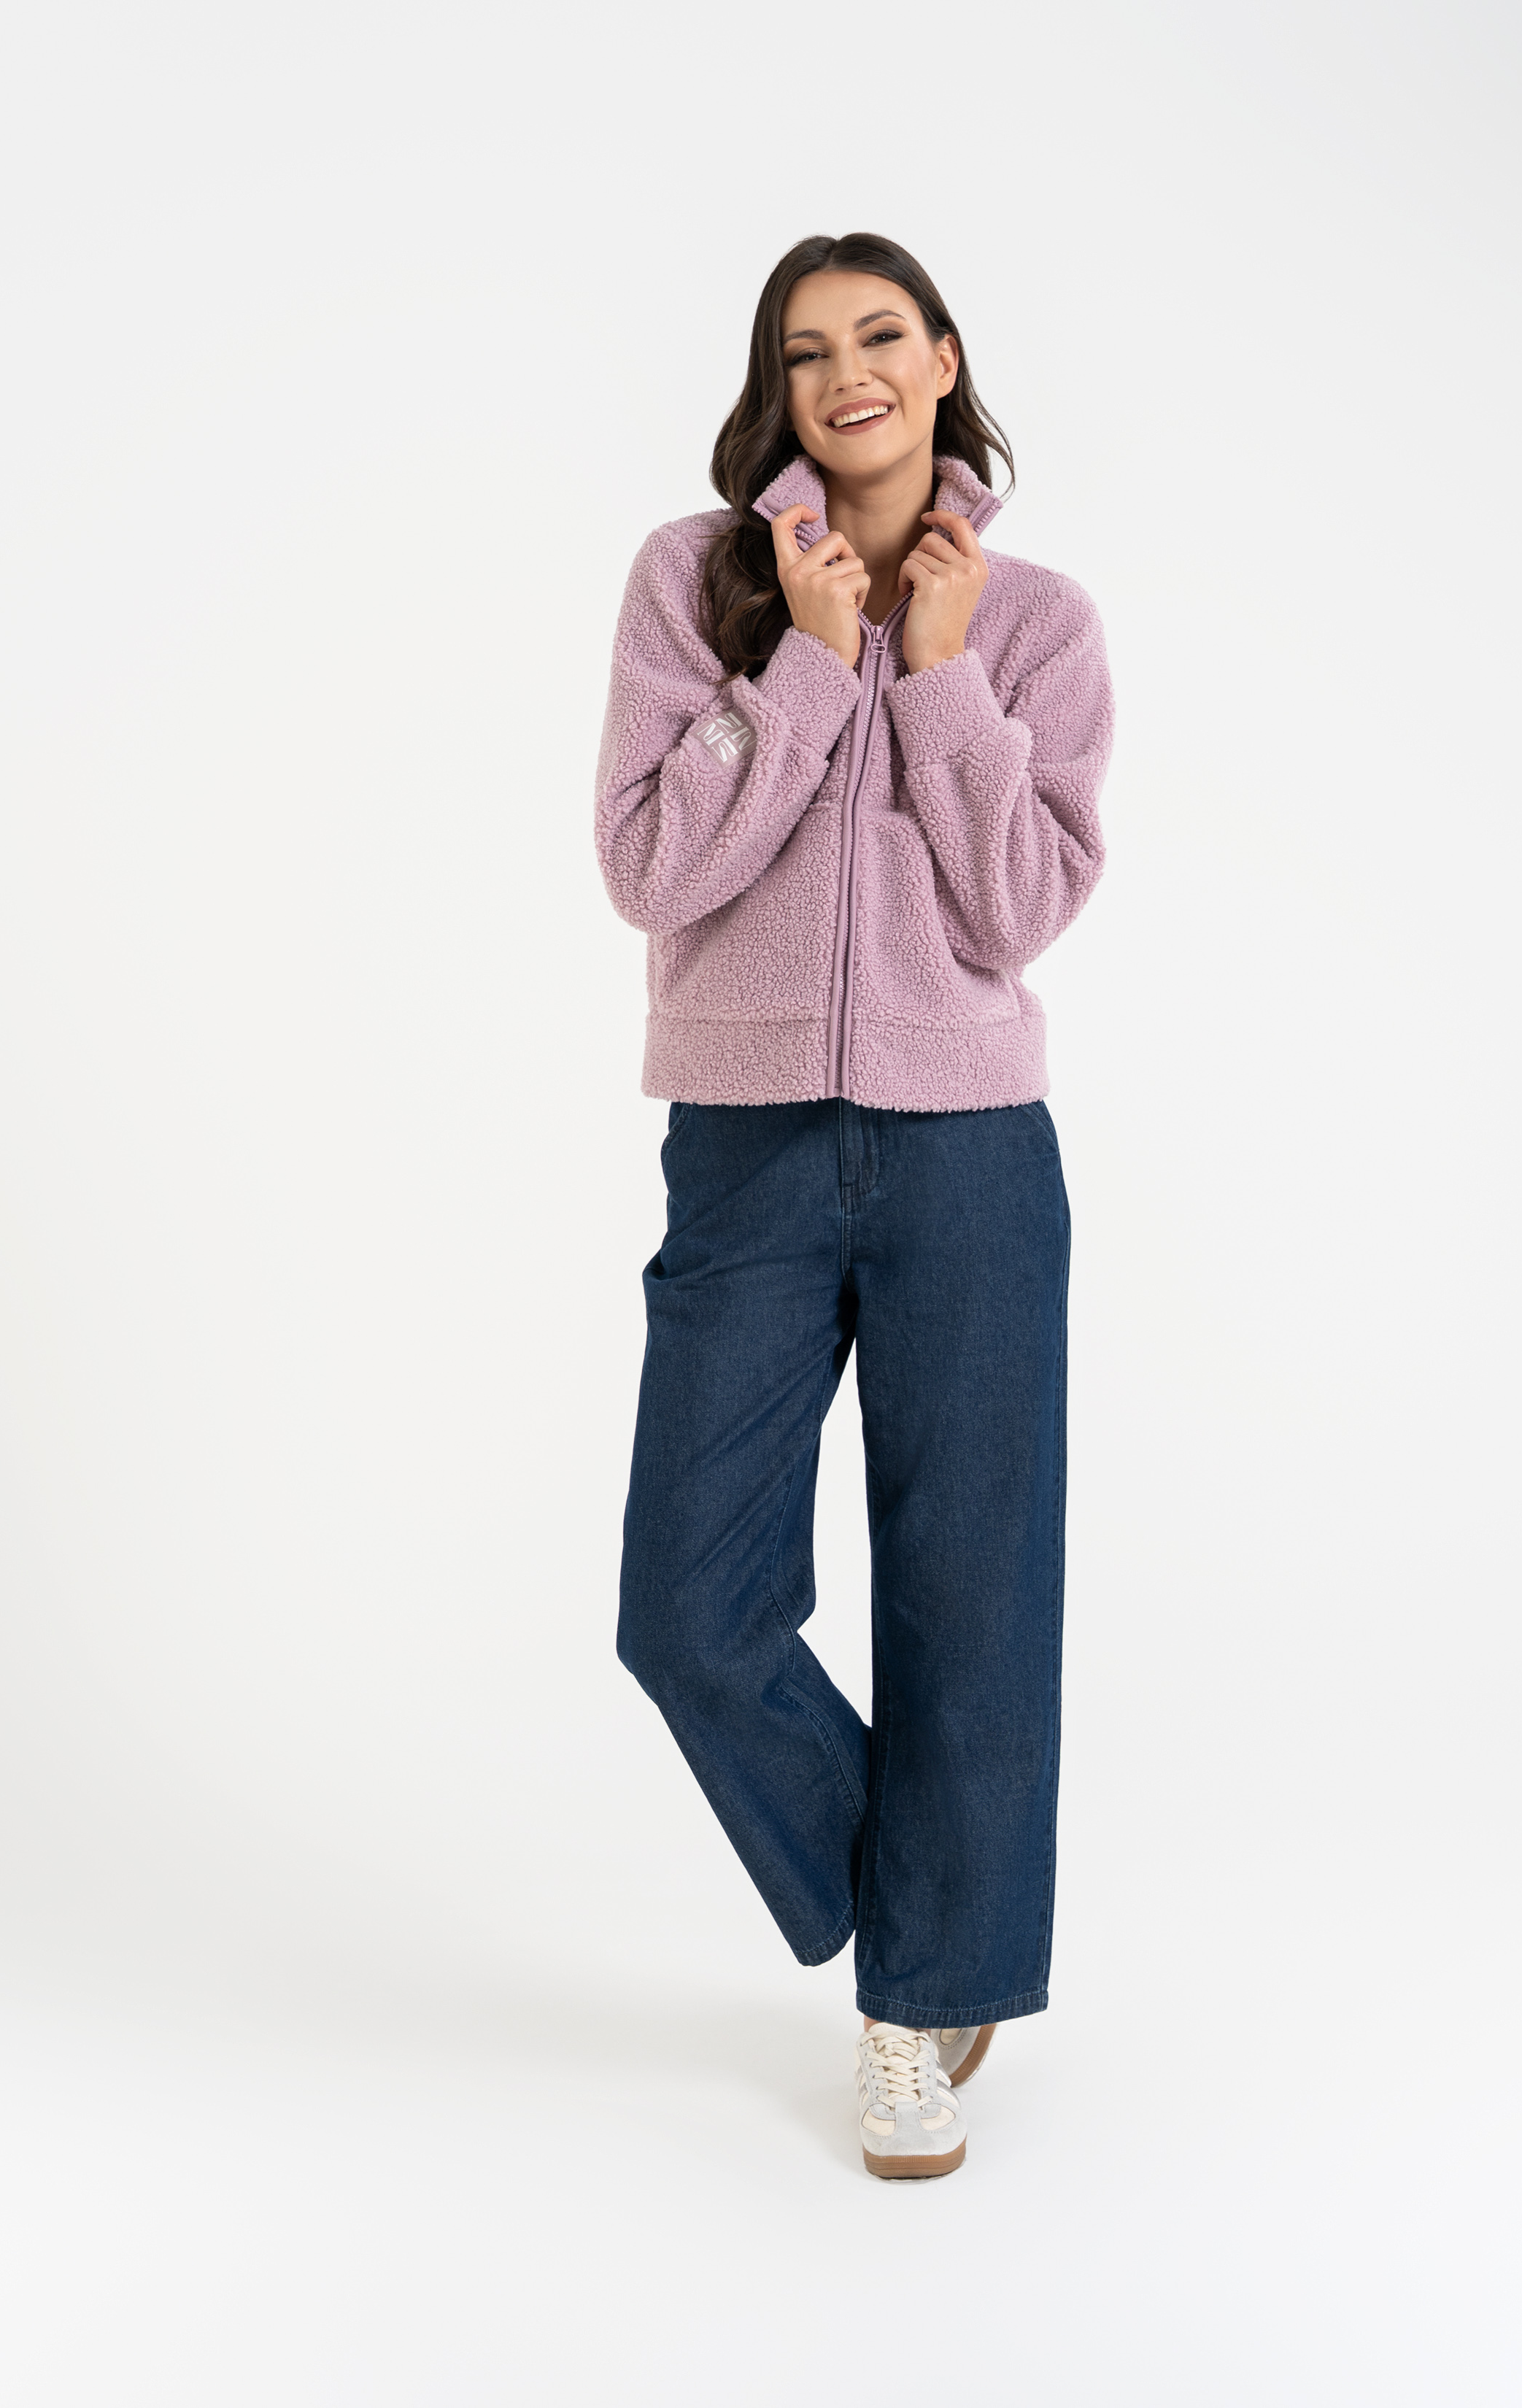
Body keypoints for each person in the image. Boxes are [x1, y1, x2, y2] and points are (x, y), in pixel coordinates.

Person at [595, 231, 1113, 2177]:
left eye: (882, 335)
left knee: (974, 1589)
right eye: (807, 350)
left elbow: (1025, 904)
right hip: (744, 1145)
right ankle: (933, 1906)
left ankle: (923, 2001)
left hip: (970, 1149)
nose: (848, 374)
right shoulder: (695, 582)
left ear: (945, 357)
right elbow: (651, 868)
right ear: (779, 387)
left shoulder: (1038, 621)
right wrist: (811, 663)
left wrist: (945, 677)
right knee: (687, 1609)